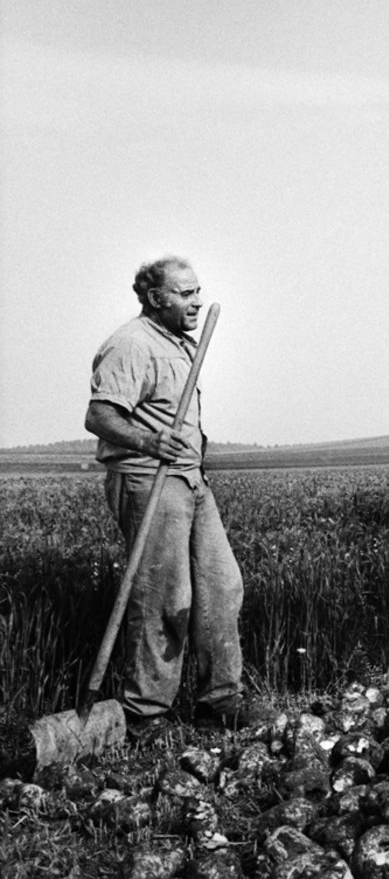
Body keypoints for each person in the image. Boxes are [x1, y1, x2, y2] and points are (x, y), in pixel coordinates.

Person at [85, 256, 266, 733]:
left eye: (197, 291)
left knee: (222, 587)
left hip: (189, 479)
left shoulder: (179, 343)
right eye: (185, 294)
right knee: (163, 597)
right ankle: (146, 714)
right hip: (149, 478)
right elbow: (99, 416)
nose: (196, 301)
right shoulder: (130, 344)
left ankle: (219, 703)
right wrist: (149, 440)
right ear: (154, 297)